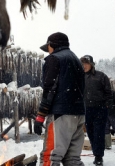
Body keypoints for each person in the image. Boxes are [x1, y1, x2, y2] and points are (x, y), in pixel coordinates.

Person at [34, 32, 86, 166]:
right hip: (79, 114)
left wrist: (40, 116)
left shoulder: (54, 59)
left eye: (49, 47)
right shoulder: (76, 60)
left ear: (53, 45)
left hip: (60, 114)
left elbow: (49, 88)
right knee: (72, 159)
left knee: (50, 157)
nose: (49, 51)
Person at [80, 55, 113, 166]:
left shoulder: (101, 76)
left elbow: (109, 92)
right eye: (83, 63)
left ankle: (99, 156)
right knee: (90, 132)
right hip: (86, 109)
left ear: (92, 64)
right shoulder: (80, 77)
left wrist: (108, 105)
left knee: (99, 132)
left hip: (100, 108)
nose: (84, 66)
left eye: (86, 63)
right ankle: (96, 153)